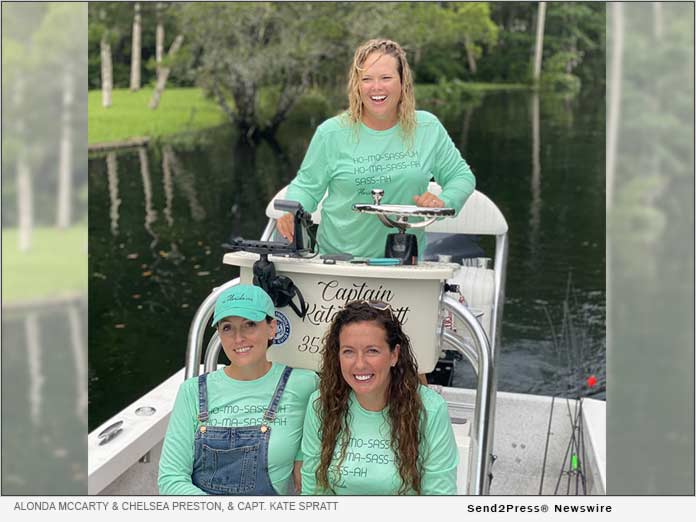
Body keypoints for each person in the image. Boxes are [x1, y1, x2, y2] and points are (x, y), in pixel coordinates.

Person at [277, 38, 476, 258]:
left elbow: (461, 176)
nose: (377, 87)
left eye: (386, 78)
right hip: (337, 264)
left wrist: (443, 203)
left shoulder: (427, 128)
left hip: (404, 265)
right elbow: (306, 187)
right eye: (367, 79)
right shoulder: (331, 133)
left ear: (403, 82)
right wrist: (291, 212)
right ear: (357, 85)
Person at [158, 285, 318, 495]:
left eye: (249, 324)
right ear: (219, 334)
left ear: (273, 327)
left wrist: (301, 456)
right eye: (227, 328)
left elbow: (318, 442)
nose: (238, 338)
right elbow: (171, 480)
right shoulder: (192, 391)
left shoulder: (303, 384)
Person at [300, 300, 458, 495]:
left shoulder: (430, 410)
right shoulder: (321, 404)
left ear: (394, 355)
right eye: (348, 351)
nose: (359, 364)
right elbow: (313, 493)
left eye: (372, 351)